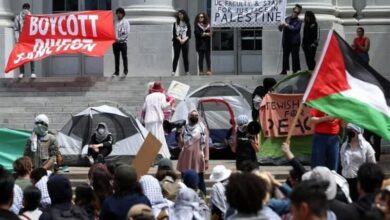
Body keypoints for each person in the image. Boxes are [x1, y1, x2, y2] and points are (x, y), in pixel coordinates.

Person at [340, 123, 376, 201]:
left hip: (360, 180)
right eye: (348, 130)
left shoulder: (366, 146)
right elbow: (343, 162)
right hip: (346, 179)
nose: (350, 132)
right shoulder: (344, 146)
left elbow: (372, 164)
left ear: (358, 132)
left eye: (352, 130)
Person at [176, 110, 209, 195]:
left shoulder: (202, 129)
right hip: (185, 158)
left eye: (196, 115)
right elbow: (180, 145)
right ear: (188, 117)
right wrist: (178, 135)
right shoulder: (184, 128)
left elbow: (206, 146)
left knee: (200, 180)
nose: (194, 117)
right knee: (185, 180)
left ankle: (203, 197)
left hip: (198, 159)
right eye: (192, 115)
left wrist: (206, 159)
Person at [142, 82, 172, 159]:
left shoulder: (148, 97)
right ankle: (158, 156)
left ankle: (148, 156)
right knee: (158, 137)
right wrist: (170, 102)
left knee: (149, 138)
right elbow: (164, 107)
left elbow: (143, 108)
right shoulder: (161, 95)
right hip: (157, 119)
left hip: (148, 119)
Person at [278, 4, 303, 75]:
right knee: (285, 56)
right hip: (286, 41)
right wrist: (281, 26)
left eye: (297, 12)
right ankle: (284, 70)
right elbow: (280, 29)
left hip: (295, 42)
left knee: (295, 57)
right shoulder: (287, 19)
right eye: (294, 11)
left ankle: (296, 70)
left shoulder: (299, 21)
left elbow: (295, 29)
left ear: (298, 13)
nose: (295, 13)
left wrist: (287, 25)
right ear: (293, 10)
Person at [14, 3, 35, 79]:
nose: (26, 10)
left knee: (31, 55)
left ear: (29, 9)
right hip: (21, 39)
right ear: (22, 9)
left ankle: (33, 72)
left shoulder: (32, 17)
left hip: (29, 39)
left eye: (27, 8)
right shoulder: (18, 18)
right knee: (21, 56)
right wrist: (17, 39)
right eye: (24, 8)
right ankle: (21, 72)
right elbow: (16, 29)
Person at [172, 9, 191, 76]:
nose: (180, 16)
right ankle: (173, 71)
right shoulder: (176, 23)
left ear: (184, 15)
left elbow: (189, 34)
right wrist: (180, 40)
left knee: (185, 57)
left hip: (185, 42)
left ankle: (187, 71)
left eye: (181, 14)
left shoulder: (187, 23)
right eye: (179, 14)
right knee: (176, 57)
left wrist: (184, 40)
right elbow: (174, 34)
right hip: (177, 42)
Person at [112, 7, 130, 77]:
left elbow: (127, 33)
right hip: (115, 43)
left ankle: (125, 71)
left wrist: (119, 39)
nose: (119, 15)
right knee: (116, 58)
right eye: (118, 13)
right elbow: (112, 31)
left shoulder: (126, 22)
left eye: (120, 13)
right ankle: (117, 72)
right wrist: (114, 39)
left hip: (123, 43)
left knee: (124, 57)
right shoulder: (114, 21)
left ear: (123, 14)